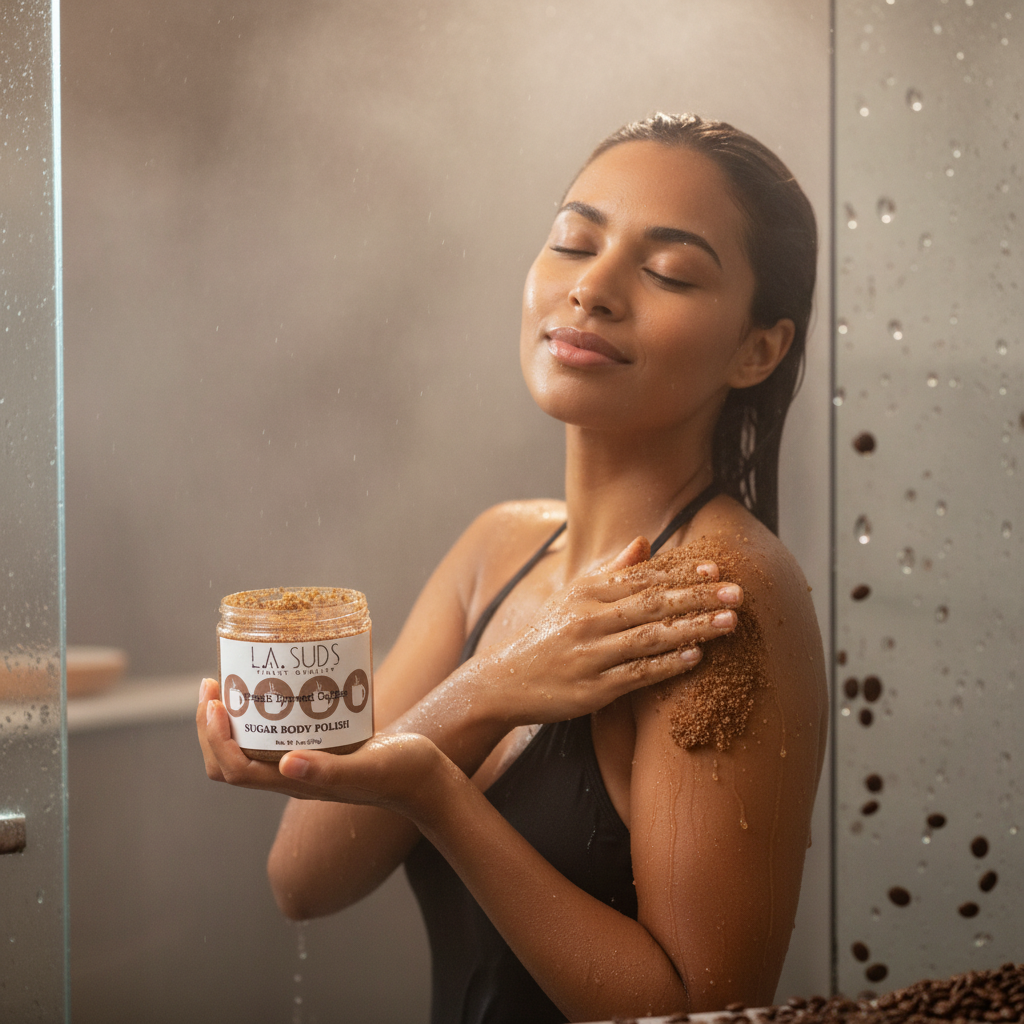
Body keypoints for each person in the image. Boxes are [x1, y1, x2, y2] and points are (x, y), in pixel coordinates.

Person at [198, 113, 827, 1023]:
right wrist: (491, 690)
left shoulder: (724, 597)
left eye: (668, 272)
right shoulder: (496, 547)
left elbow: (705, 1012)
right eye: (574, 243)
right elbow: (304, 879)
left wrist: (436, 796)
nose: (593, 291)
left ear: (757, 348)